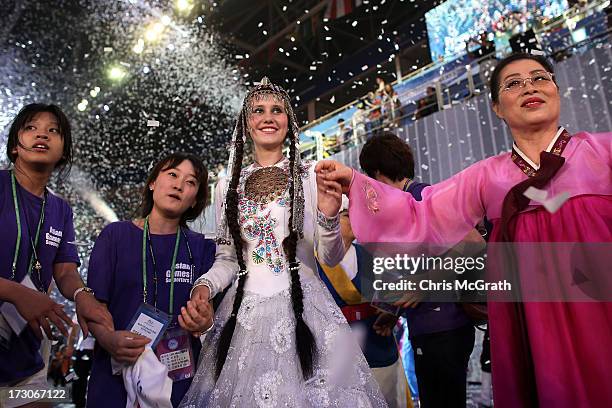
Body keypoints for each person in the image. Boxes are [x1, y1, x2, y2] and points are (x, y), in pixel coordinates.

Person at [317, 52, 612, 408]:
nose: (529, 87)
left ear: (556, 89)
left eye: (539, 78)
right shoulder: (486, 177)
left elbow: (468, 247)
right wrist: (352, 180)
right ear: (497, 108)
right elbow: (417, 217)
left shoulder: (604, 152)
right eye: (513, 83)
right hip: (532, 322)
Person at [180, 77, 387, 406]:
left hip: (306, 310)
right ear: (247, 124)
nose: (268, 117)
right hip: (244, 317)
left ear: (289, 121)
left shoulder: (310, 175)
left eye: (277, 110)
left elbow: (331, 258)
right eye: (258, 111)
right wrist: (202, 288)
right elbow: (227, 260)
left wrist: (330, 217)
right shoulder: (226, 186)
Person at [86, 152, 216, 407]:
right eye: (172, 175)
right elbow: (94, 305)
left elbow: (211, 314)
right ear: (152, 183)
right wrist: (107, 338)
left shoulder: (202, 248)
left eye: (190, 182)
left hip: (180, 380)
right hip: (116, 373)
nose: (179, 185)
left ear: (194, 201)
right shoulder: (115, 236)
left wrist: (205, 320)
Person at [0, 104, 112, 396]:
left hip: (26, 344)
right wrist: (17, 293)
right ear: (15, 147)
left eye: (53, 131)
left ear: (63, 153)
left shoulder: (60, 208)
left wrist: (82, 295)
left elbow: (64, 269)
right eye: (31, 127)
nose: (43, 135)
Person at [359, 133, 478, 408]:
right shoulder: (409, 202)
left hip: (446, 329)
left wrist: (424, 285)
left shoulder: (424, 197)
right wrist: (394, 312)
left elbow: (473, 244)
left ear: (377, 173)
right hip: (429, 328)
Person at [316, 196, 410, 408]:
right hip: (334, 362)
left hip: (378, 352)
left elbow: (397, 295)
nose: (355, 221)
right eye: (348, 216)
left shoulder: (373, 257)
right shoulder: (312, 264)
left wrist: (392, 313)